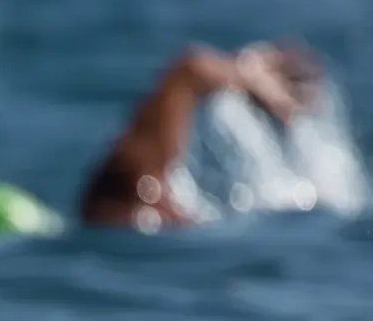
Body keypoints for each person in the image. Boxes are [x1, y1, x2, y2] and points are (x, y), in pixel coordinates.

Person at [79, 41, 322, 228]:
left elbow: (189, 71)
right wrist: (254, 80)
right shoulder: (135, 188)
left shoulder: (141, 195)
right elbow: (189, 69)